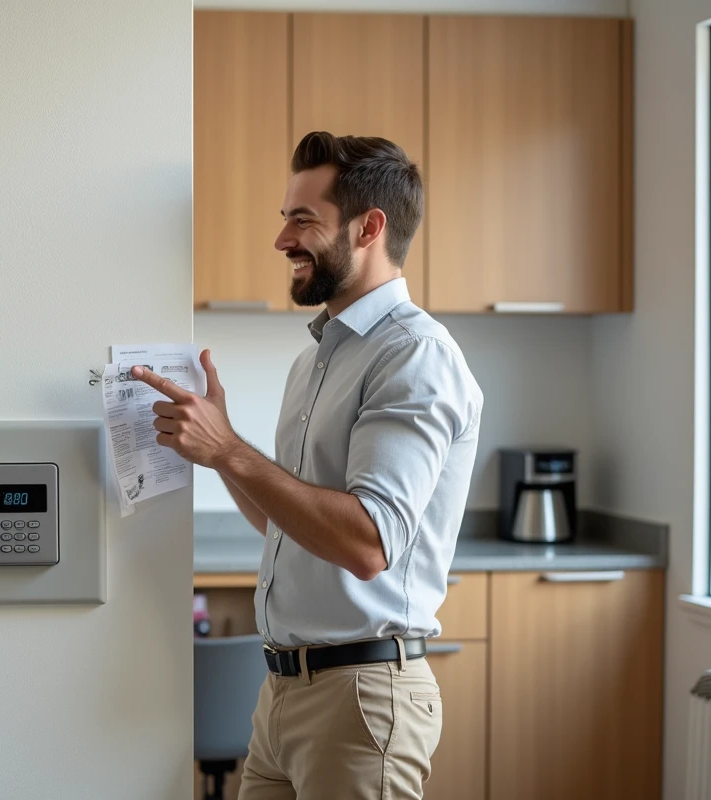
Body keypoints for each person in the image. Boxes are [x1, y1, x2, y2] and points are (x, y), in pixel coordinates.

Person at [132, 131, 483, 799]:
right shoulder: (319, 357)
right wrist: (220, 450)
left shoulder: (414, 356)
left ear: (368, 227)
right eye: (284, 217)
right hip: (283, 697)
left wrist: (229, 450)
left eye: (304, 219)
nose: (282, 239)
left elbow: (365, 541)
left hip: (361, 698)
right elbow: (288, 523)